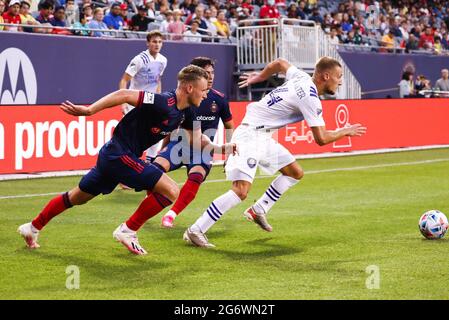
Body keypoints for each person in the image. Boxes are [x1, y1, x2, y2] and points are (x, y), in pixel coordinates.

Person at [17, 65, 236, 256]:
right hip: (118, 154)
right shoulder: (162, 102)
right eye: (204, 90)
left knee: (77, 197)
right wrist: (89, 110)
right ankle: (128, 230)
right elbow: (123, 93)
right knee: (170, 190)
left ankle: (32, 227)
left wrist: (220, 148)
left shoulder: (186, 112)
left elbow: (196, 138)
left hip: (114, 157)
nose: (206, 95)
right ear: (190, 88)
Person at [183, 57, 367, 248]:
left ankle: (259, 209)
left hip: (262, 136)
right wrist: (345, 131)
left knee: (295, 172)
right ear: (326, 76)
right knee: (241, 190)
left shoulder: (300, 77)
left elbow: (280, 63)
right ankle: (196, 230)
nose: (340, 81)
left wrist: (258, 77)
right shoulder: (310, 97)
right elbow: (321, 138)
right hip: (250, 136)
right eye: (339, 77)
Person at [155, 56, 234, 228]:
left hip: (203, 150)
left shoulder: (219, 99)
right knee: (155, 168)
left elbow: (229, 125)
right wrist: (163, 148)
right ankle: (150, 202)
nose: (211, 77)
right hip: (180, 144)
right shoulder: (184, 97)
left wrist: (228, 155)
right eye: (207, 73)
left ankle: (171, 215)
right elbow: (172, 124)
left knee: (196, 175)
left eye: (213, 73)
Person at [119, 30, 168, 163]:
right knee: (131, 136)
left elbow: (158, 80)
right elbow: (124, 80)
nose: (157, 44)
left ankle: (149, 163)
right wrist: (123, 103)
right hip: (135, 101)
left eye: (159, 42)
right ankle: (124, 167)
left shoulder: (163, 60)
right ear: (148, 43)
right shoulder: (139, 59)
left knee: (156, 133)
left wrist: (159, 99)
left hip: (151, 102)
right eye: (154, 41)